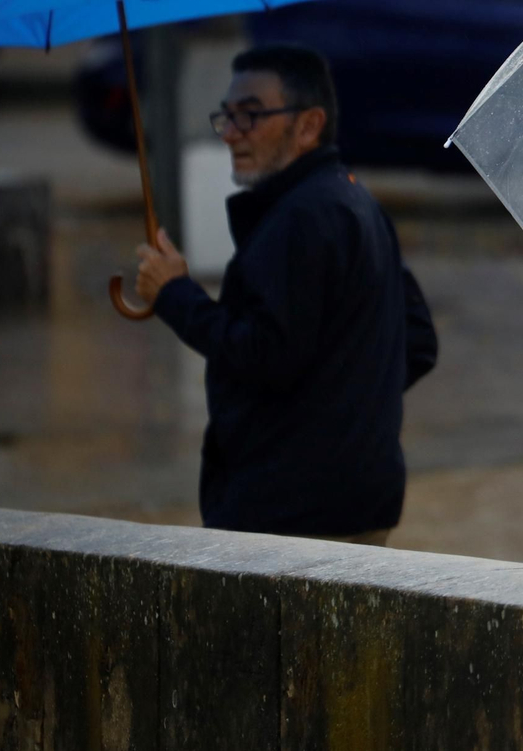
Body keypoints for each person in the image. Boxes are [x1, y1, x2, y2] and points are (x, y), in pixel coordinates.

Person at [133, 45, 437, 544]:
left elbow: (264, 355)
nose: (232, 133)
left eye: (251, 115)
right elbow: (418, 341)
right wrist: (345, 407)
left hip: (292, 513)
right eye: (226, 116)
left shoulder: (301, 218)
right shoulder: (355, 199)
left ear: (308, 125)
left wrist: (174, 294)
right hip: (356, 501)